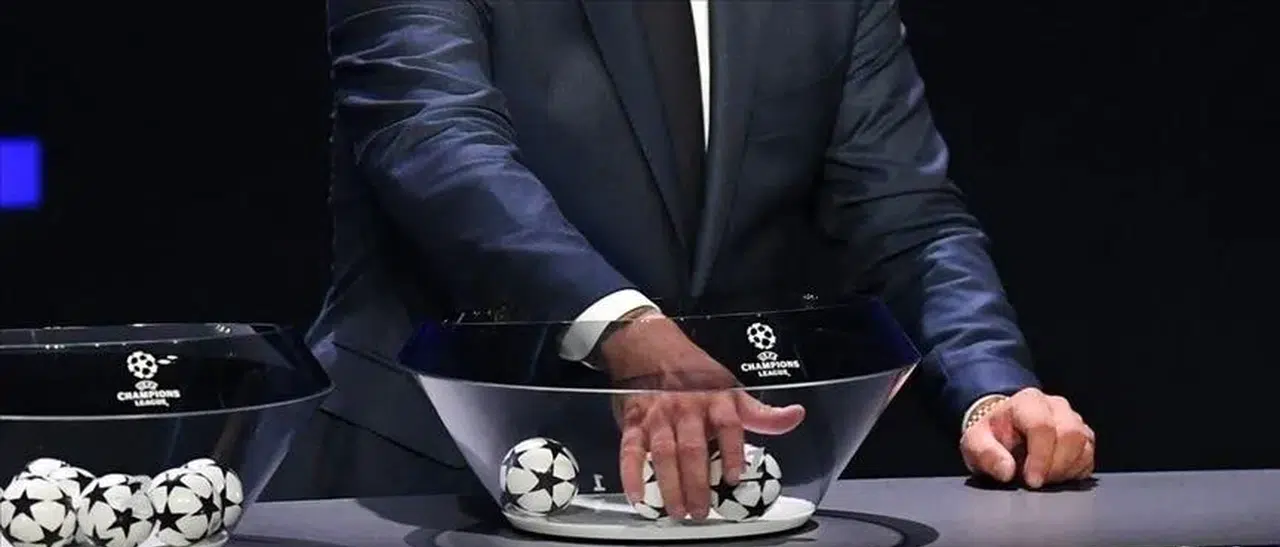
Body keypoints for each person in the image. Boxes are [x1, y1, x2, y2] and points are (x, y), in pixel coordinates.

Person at [267, 0, 1096, 512]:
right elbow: (434, 145)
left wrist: (990, 388)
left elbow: (905, 216)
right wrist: (629, 331)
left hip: (698, 503)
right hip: (429, 483)